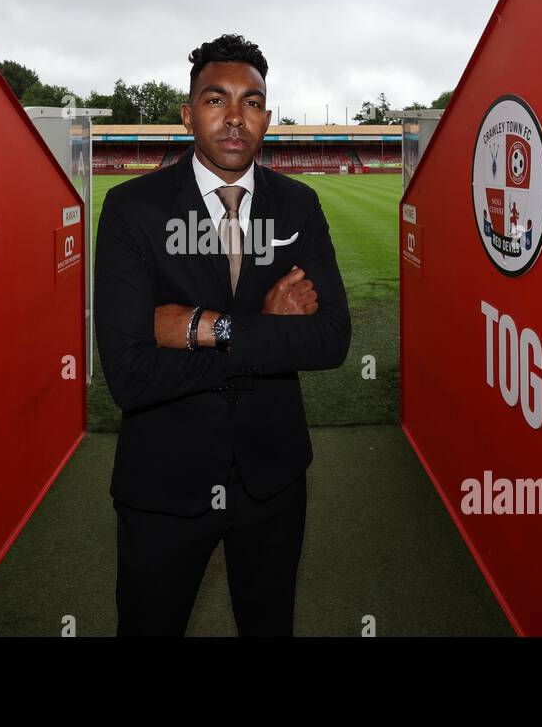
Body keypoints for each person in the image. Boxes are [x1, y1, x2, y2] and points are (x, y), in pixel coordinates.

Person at [94, 33, 351, 636]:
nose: (236, 118)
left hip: (273, 479)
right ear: (187, 114)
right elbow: (129, 377)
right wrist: (267, 331)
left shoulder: (299, 206)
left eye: (253, 102)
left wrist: (205, 329)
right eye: (216, 100)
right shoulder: (133, 209)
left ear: (267, 114)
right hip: (163, 483)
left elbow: (331, 340)